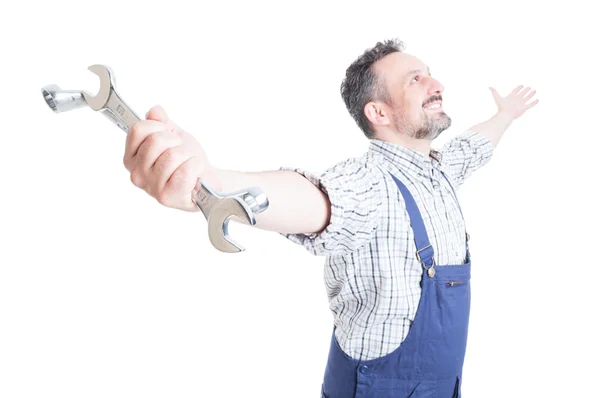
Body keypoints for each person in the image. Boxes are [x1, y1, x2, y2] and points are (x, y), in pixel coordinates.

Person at [122, 39, 538, 397]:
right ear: (379, 113)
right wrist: (212, 180)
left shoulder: (440, 171)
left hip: (442, 385)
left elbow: (477, 144)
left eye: (429, 74)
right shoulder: (369, 182)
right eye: (416, 79)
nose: (437, 84)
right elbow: (317, 200)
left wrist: (505, 115)